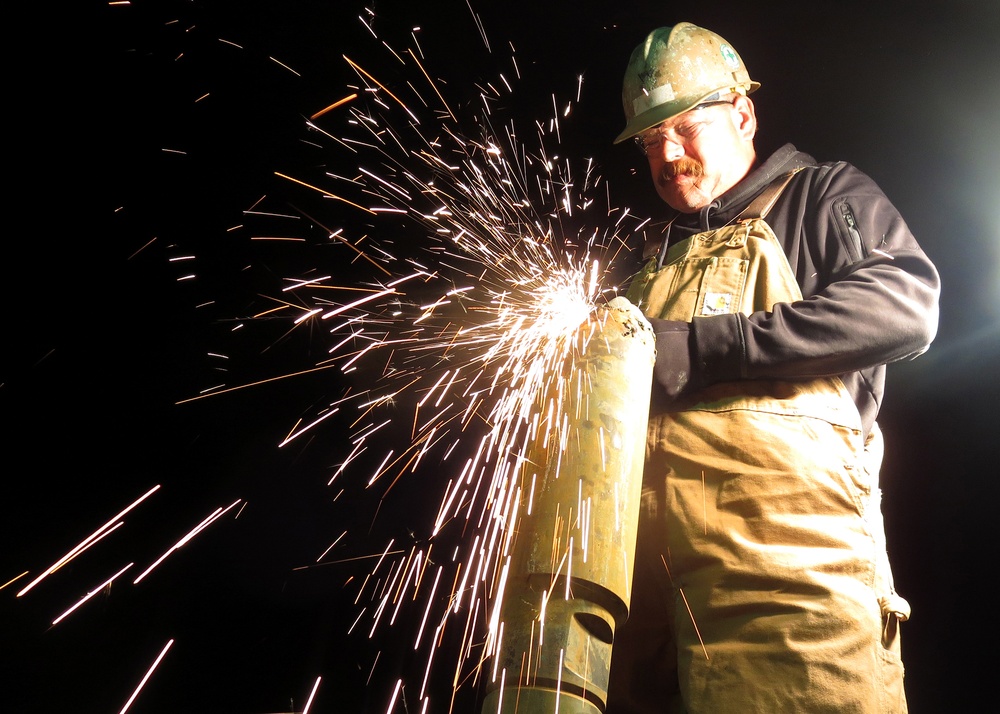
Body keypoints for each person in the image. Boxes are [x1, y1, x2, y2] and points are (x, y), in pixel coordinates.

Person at [604, 22, 940, 713]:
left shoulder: (820, 197)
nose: (668, 155)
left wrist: (700, 349)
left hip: (793, 605)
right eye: (649, 142)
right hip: (648, 620)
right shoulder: (646, 264)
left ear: (743, 113)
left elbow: (904, 304)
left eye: (687, 128)